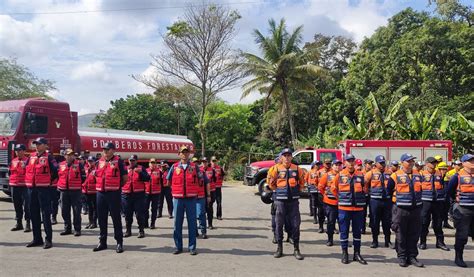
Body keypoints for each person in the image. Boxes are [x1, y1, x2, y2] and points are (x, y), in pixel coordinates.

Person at [267, 148, 305, 260]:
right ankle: (279, 248)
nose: (287, 158)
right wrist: (279, 192)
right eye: (285, 155)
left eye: (289, 155)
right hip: (280, 201)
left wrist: (296, 192)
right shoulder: (275, 169)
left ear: (292, 157)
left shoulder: (297, 169)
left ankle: (296, 249)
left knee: (296, 224)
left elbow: (302, 183)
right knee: (279, 224)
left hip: (293, 201)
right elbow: (271, 183)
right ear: (281, 157)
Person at [167, 145, 205, 255]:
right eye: (182, 152)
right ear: (179, 154)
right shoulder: (174, 167)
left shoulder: (194, 167)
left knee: (192, 224)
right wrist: (176, 190)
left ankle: (192, 247)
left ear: (189, 154)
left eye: (186, 152)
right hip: (178, 199)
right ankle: (178, 247)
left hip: (191, 199)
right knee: (177, 224)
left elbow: (200, 179)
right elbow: (168, 181)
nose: (184, 154)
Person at [387, 153, 424, 267]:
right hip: (400, 209)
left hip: (415, 209)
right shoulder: (395, 176)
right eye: (409, 161)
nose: (411, 163)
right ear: (402, 162)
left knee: (414, 234)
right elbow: (388, 192)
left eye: (412, 161)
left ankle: (412, 256)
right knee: (401, 234)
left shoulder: (418, 175)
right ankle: (402, 257)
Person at [331, 154, 368, 265]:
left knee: (357, 232)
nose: (351, 163)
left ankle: (357, 253)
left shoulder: (361, 175)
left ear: (355, 163)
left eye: (352, 161)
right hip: (344, 208)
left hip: (358, 209)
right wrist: (341, 199)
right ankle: (345, 253)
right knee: (344, 231)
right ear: (345, 163)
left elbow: (365, 189)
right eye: (348, 161)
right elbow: (334, 189)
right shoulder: (340, 175)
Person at [93, 142, 127, 253]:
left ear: (113, 150)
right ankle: (102, 242)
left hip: (113, 193)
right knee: (101, 218)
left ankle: (119, 242)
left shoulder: (119, 162)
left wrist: (117, 187)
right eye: (104, 149)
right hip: (101, 193)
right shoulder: (99, 162)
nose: (105, 151)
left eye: (107, 149)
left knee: (116, 218)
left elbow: (125, 178)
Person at [24, 137, 58, 249]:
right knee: (34, 213)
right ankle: (37, 238)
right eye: (36, 144)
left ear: (45, 145)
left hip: (43, 189)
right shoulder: (31, 156)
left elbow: (55, 171)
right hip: (32, 189)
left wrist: (48, 182)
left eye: (39, 144)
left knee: (45, 214)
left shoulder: (49, 157)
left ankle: (48, 240)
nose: (37, 146)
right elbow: (26, 169)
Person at [447, 153, 474, 268]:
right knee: (462, 235)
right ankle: (459, 257)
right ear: (463, 163)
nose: (473, 163)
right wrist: (455, 203)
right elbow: (450, 191)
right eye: (470, 161)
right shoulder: (457, 176)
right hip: (463, 209)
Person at [418, 157, 449, 251]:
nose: (434, 165)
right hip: (425, 201)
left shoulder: (439, 173)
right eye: (432, 163)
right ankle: (423, 242)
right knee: (424, 222)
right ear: (427, 164)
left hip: (438, 201)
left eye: (435, 163)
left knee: (438, 223)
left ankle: (440, 242)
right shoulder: (421, 174)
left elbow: (443, 186)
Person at [365, 155, 393, 249]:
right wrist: (367, 193)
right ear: (376, 164)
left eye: (383, 163)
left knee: (387, 221)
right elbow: (364, 183)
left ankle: (387, 241)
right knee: (375, 221)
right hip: (375, 200)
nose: (382, 165)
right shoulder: (371, 173)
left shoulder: (389, 173)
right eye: (380, 163)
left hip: (387, 200)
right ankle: (375, 240)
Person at [57, 148, 85, 237]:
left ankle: (77, 229)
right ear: (65, 156)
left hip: (75, 191)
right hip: (64, 191)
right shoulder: (60, 165)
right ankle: (67, 228)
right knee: (64, 210)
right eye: (68, 155)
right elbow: (58, 176)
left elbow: (83, 177)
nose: (70, 156)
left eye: (71, 155)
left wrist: (78, 186)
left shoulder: (79, 165)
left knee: (76, 211)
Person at [122, 154, 149, 238]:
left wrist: (140, 173)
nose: (132, 162)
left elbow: (147, 178)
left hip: (139, 195)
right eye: (130, 160)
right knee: (127, 214)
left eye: (133, 160)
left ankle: (141, 231)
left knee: (139, 214)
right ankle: (128, 230)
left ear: (136, 161)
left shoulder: (141, 168)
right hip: (127, 194)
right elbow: (121, 179)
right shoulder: (125, 169)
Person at [318, 159, 342, 246]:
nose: (338, 166)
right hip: (330, 203)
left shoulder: (344, 175)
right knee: (331, 222)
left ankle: (343, 240)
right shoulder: (327, 175)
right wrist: (326, 195)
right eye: (336, 165)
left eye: (339, 165)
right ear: (332, 166)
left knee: (342, 222)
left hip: (342, 203)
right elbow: (320, 187)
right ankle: (330, 239)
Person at [9, 144, 31, 232]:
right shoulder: (13, 161)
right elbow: (11, 173)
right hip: (15, 185)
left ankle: (28, 223)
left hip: (25, 186)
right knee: (17, 204)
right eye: (16, 150)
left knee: (27, 205)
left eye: (19, 150)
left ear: (24, 151)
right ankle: (19, 223)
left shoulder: (28, 161)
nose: (17, 152)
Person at [306, 161, 325, 233]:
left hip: (320, 190)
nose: (318, 165)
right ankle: (315, 218)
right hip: (313, 188)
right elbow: (306, 179)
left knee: (321, 205)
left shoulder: (321, 172)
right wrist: (309, 186)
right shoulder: (310, 171)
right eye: (317, 164)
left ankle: (323, 218)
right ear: (314, 165)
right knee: (313, 203)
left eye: (319, 164)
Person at [196, 158, 211, 239]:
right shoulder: (188, 171)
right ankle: (194, 231)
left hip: (201, 197)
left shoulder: (202, 172)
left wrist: (208, 195)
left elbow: (207, 183)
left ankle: (203, 231)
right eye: (194, 162)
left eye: (196, 162)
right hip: (190, 197)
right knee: (192, 216)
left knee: (201, 214)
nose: (195, 164)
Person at [145, 158, 162, 229]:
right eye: (151, 162)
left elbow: (162, 181)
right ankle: (145, 223)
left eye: (154, 162)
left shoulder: (159, 171)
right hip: (146, 193)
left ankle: (152, 223)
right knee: (145, 208)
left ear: (156, 163)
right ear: (149, 163)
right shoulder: (145, 171)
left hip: (156, 193)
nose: (153, 164)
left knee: (154, 209)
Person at [82, 156, 98, 229]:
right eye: (89, 161)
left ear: (94, 162)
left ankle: (94, 223)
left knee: (95, 208)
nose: (90, 162)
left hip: (94, 191)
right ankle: (90, 222)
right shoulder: (86, 169)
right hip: (86, 191)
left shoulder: (97, 169)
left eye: (91, 161)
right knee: (89, 208)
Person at [204, 159, 217, 230]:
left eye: (205, 162)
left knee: (209, 208)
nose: (204, 163)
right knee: (202, 209)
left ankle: (210, 224)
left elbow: (215, 179)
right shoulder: (199, 169)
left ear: (207, 162)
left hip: (211, 191)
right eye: (202, 162)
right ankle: (202, 225)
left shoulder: (212, 170)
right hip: (202, 192)